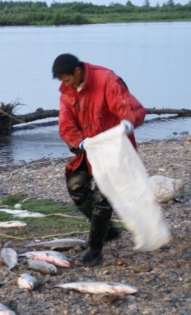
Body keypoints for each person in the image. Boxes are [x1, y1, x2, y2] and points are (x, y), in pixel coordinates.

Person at [52, 53, 146, 267]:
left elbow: (132, 109)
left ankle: (95, 249)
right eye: (61, 81)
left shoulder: (106, 80)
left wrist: (128, 124)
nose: (64, 84)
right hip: (89, 149)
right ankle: (108, 231)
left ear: (77, 71)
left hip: (115, 149)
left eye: (66, 79)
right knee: (75, 187)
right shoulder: (67, 92)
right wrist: (79, 142)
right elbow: (66, 126)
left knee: (103, 200)